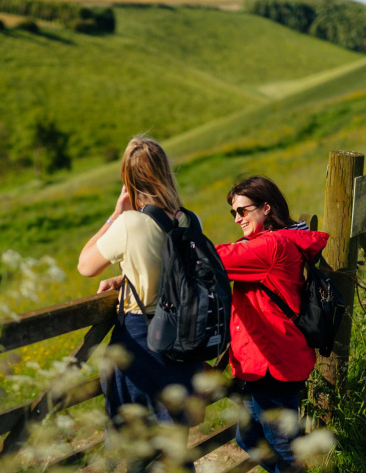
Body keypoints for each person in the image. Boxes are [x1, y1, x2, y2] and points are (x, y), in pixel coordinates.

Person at [77, 137, 201, 471]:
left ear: (128, 180)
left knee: (134, 454)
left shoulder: (129, 224)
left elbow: (85, 265)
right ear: (165, 172)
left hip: (141, 341)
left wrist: (115, 214)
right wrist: (125, 277)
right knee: (174, 450)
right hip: (183, 343)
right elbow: (175, 273)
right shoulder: (190, 220)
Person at [214, 176, 329, 473]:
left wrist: (179, 238)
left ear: (266, 208)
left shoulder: (271, 245)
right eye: (233, 212)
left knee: (283, 448)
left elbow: (216, 260)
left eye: (243, 210)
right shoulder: (278, 239)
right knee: (250, 437)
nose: (237, 218)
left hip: (273, 363)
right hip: (268, 359)